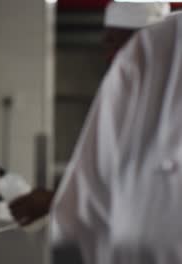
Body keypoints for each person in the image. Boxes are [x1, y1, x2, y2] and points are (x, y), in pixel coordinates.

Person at [9, 1, 170, 227]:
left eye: (115, 42)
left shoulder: (168, 105)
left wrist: (55, 201)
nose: (108, 54)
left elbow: (154, 195)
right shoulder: (129, 97)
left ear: (147, 44)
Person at [51, 11, 182, 264]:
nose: (110, 53)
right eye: (107, 42)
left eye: (116, 41)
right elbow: (76, 227)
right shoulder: (153, 54)